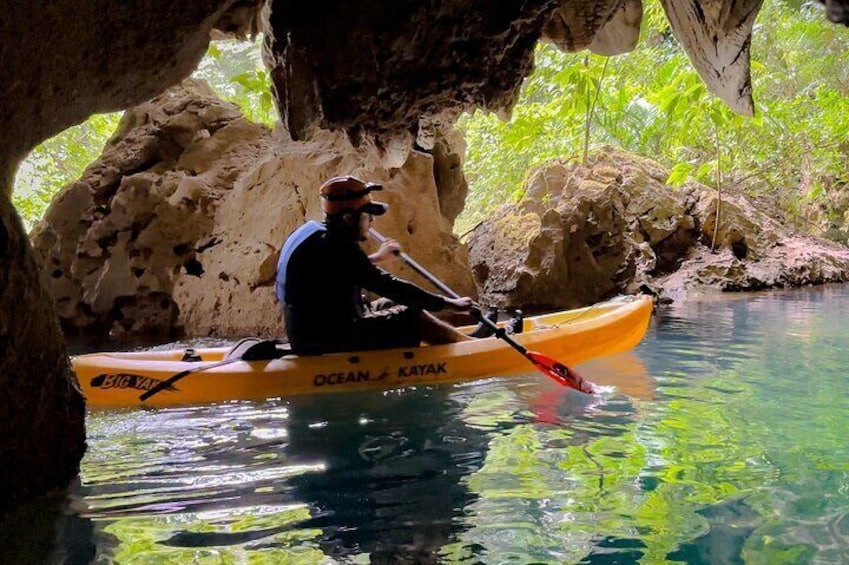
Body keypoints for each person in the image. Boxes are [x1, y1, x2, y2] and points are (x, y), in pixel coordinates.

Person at [276, 175, 475, 355]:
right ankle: (471, 347)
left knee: (388, 305)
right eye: (367, 213)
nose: (371, 219)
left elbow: (335, 272)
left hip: (316, 332)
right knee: (410, 316)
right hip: (325, 343)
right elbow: (391, 286)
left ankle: (460, 339)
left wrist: (378, 258)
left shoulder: (315, 234)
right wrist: (449, 304)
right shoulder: (338, 246)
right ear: (348, 218)